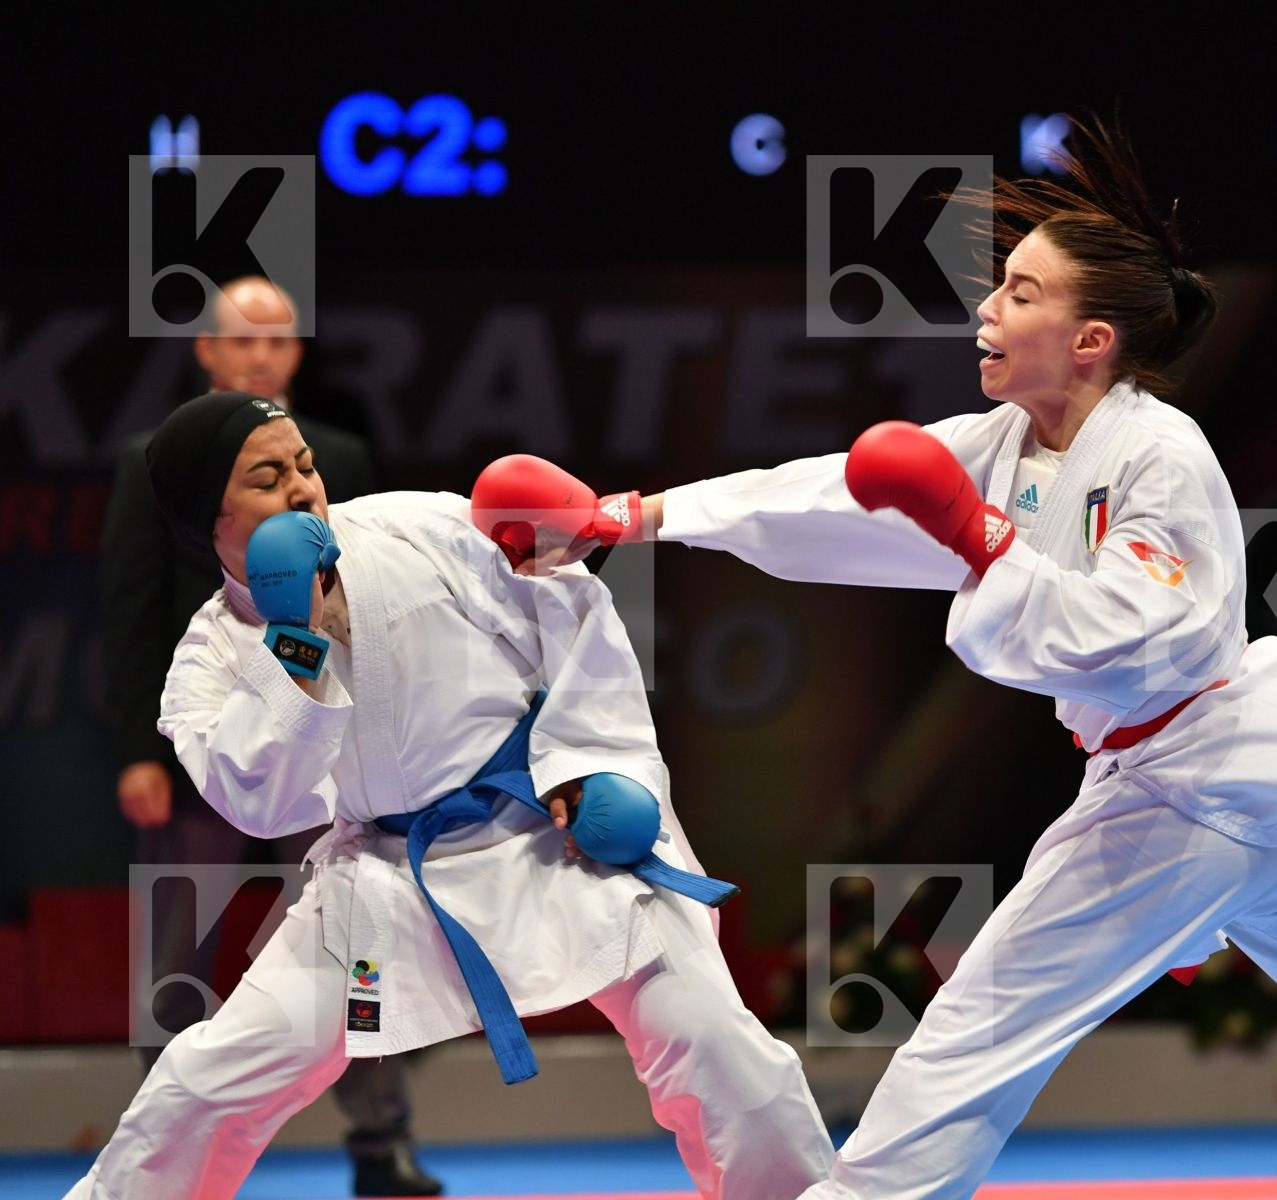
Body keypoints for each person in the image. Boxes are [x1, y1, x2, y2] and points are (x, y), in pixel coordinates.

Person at [486, 120, 1277, 1200]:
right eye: (1000, 288)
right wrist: (636, 517)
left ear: (1092, 339)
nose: (990, 307)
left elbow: (1126, 636)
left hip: (1197, 771)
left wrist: (978, 542)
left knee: (987, 1022)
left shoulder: (1161, 456)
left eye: (1024, 293)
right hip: (1243, 782)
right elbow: (832, 498)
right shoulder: (1005, 444)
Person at [65, 392, 833, 1200]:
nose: (302, 489)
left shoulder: (418, 527)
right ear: (206, 518)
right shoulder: (208, 660)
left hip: (552, 836)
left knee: (722, 1048)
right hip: (392, 880)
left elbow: (572, 607)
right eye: (267, 478)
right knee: (208, 1082)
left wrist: (591, 765)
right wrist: (296, 643)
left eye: (305, 465)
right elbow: (265, 806)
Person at [97, 277, 440, 1196]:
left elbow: (378, 601)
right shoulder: (154, 464)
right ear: (205, 351)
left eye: (277, 341)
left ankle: (384, 1144)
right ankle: (168, 1151)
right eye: (240, 341)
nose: (260, 355)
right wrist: (140, 748)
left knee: (360, 946)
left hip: (335, 754)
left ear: (296, 354)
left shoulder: (338, 457)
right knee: (177, 954)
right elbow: (130, 613)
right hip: (208, 746)